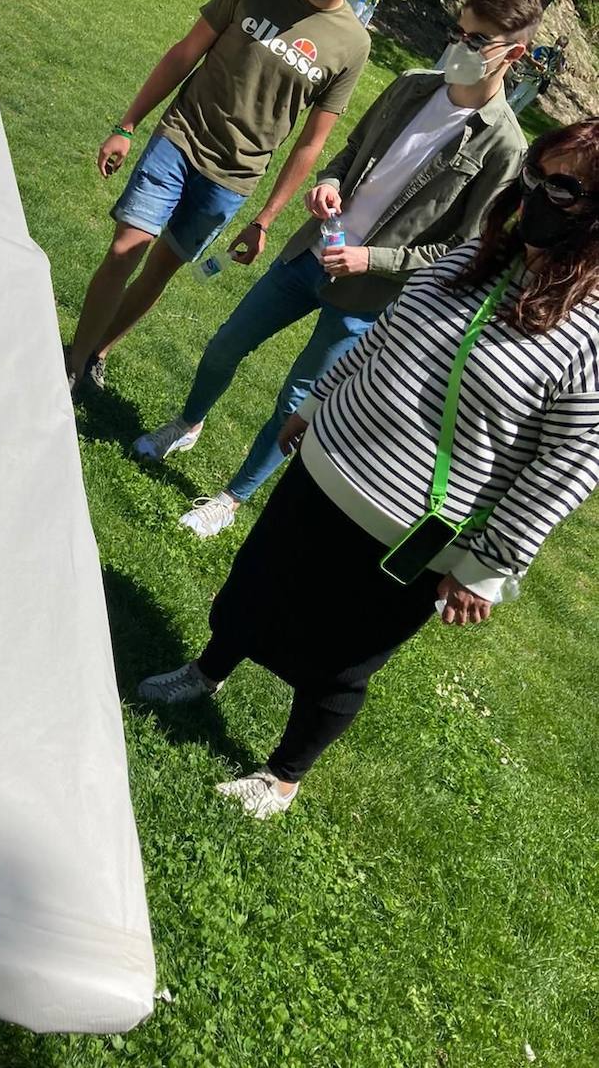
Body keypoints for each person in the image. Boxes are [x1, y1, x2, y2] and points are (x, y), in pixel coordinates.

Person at [138, 118, 599, 819]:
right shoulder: (476, 257)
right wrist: (315, 403)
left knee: (340, 660)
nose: (535, 194)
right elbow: (383, 337)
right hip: (326, 464)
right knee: (256, 582)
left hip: (408, 530)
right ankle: (206, 671)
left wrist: (487, 566)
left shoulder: (589, 334)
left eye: (563, 188)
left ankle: (282, 777)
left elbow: (567, 464)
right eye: (535, 174)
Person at [134, 0, 542, 538]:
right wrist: (328, 182)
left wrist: (372, 259)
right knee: (226, 344)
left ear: (513, 54)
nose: (460, 46)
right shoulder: (412, 85)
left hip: (368, 296)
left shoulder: (504, 146)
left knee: (298, 399)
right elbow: (350, 153)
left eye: (477, 40)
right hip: (311, 251)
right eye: (459, 31)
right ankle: (188, 422)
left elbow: (465, 247)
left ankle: (230, 498)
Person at [64, 0, 374, 392]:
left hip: (235, 175)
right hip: (182, 135)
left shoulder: (353, 43)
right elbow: (186, 52)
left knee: (160, 269)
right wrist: (127, 124)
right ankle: (72, 364)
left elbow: (312, 143)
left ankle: (99, 351)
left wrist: (265, 220)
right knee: (127, 248)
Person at [508, 36, 569, 113]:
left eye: (561, 45)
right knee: (514, 97)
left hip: (540, 84)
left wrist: (559, 59)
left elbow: (559, 71)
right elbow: (530, 58)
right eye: (557, 43)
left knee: (522, 103)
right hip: (530, 77)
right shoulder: (544, 49)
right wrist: (537, 65)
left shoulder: (561, 59)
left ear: (563, 47)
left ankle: (513, 115)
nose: (557, 46)